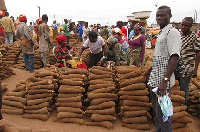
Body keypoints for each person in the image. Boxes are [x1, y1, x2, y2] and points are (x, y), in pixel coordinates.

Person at [145, 6, 182, 132]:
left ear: (170, 16)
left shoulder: (172, 32)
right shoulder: (162, 32)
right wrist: (150, 69)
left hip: (162, 83)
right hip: (156, 79)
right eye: (158, 15)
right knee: (158, 114)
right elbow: (162, 56)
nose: (159, 17)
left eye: (163, 15)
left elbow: (174, 57)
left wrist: (165, 81)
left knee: (164, 116)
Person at [179, 17, 200, 105]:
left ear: (191, 26)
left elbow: (198, 52)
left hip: (187, 67)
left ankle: (185, 104)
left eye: (186, 25)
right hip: (177, 66)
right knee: (177, 86)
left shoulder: (194, 37)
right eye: (182, 25)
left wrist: (195, 69)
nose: (183, 27)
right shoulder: (179, 35)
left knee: (184, 86)